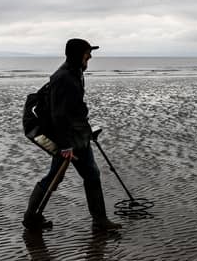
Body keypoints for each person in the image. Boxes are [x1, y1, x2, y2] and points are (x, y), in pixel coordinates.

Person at [22, 38, 122, 232]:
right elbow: (59, 115)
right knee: (59, 177)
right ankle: (32, 217)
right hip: (66, 138)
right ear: (78, 56)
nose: (90, 56)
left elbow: (74, 110)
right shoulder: (64, 78)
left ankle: (99, 221)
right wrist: (66, 146)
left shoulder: (74, 72)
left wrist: (86, 130)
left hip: (76, 135)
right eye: (87, 53)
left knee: (86, 174)